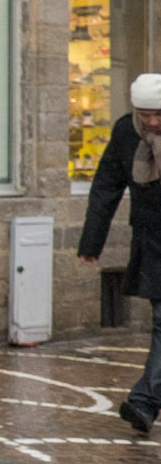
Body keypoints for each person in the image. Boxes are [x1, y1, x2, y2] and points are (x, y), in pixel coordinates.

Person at [81, 73, 161, 433]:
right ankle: (146, 400)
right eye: (146, 114)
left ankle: (144, 401)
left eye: (159, 114)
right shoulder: (126, 133)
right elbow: (105, 186)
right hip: (152, 242)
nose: (153, 122)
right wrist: (91, 243)